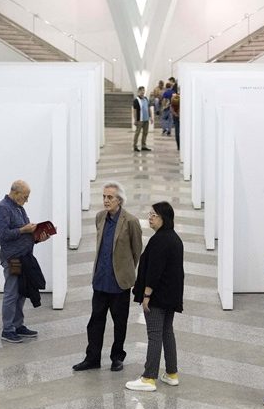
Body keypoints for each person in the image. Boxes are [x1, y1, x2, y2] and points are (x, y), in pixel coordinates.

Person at [73, 182, 142, 372]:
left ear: (119, 199)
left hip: (119, 283)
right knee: (95, 321)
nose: (105, 200)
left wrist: (126, 270)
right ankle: (92, 358)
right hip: (100, 280)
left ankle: (117, 357)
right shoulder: (100, 217)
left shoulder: (130, 221)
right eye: (104, 196)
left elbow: (137, 251)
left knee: (119, 323)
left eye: (110, 197)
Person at [126, 202, 184, 392]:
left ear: (164, 218)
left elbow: (154, 271)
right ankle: (172, 374)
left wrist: (146, 295)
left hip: (157, 297)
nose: (150, 217)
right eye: (150, 214)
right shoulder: (174, 239)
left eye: (154, 215)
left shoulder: (159, 240)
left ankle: (149, 377)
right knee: (167, 332)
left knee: (154, 335)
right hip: (170, 296)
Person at [0, 180, 50, 343]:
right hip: (13, 258)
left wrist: (38, 236)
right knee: (12, 292)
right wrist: (24, 229)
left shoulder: (19, 208)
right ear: (16, 193)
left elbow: (25, 235)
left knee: (22, 292)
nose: (27, 200)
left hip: (25, 256)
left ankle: (18, 325)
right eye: (25, 196)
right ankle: (8, 329)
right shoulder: (2, 208)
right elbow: (3, 235)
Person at [132, 86, 153, 152]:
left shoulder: (146, 99)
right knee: (137, 133)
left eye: (143, 90)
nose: (142, 92)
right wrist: (135, 120)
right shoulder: (136, 100)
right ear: (138, 91)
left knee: (145, 133)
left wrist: (151, 117)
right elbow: (134, 111)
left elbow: (149, 108)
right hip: (139, 120)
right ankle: (135, 146)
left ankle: (143, 146)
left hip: (146, 119)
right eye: (141, 91)